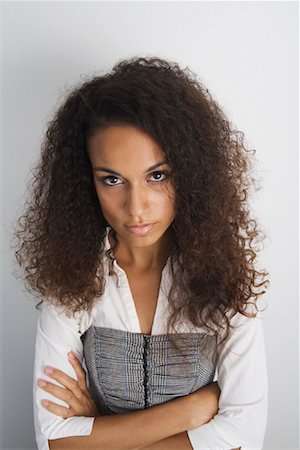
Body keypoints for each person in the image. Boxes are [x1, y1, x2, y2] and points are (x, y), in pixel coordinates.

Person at [13, 55, 269, 450]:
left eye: (157, 176)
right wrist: (191, 410)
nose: (136, 207)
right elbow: (54, 441)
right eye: (112, 179)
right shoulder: (72, 281)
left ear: (191, 172)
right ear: (86, 182)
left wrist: (98, 432)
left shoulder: (227, 280)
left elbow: (244, 437)